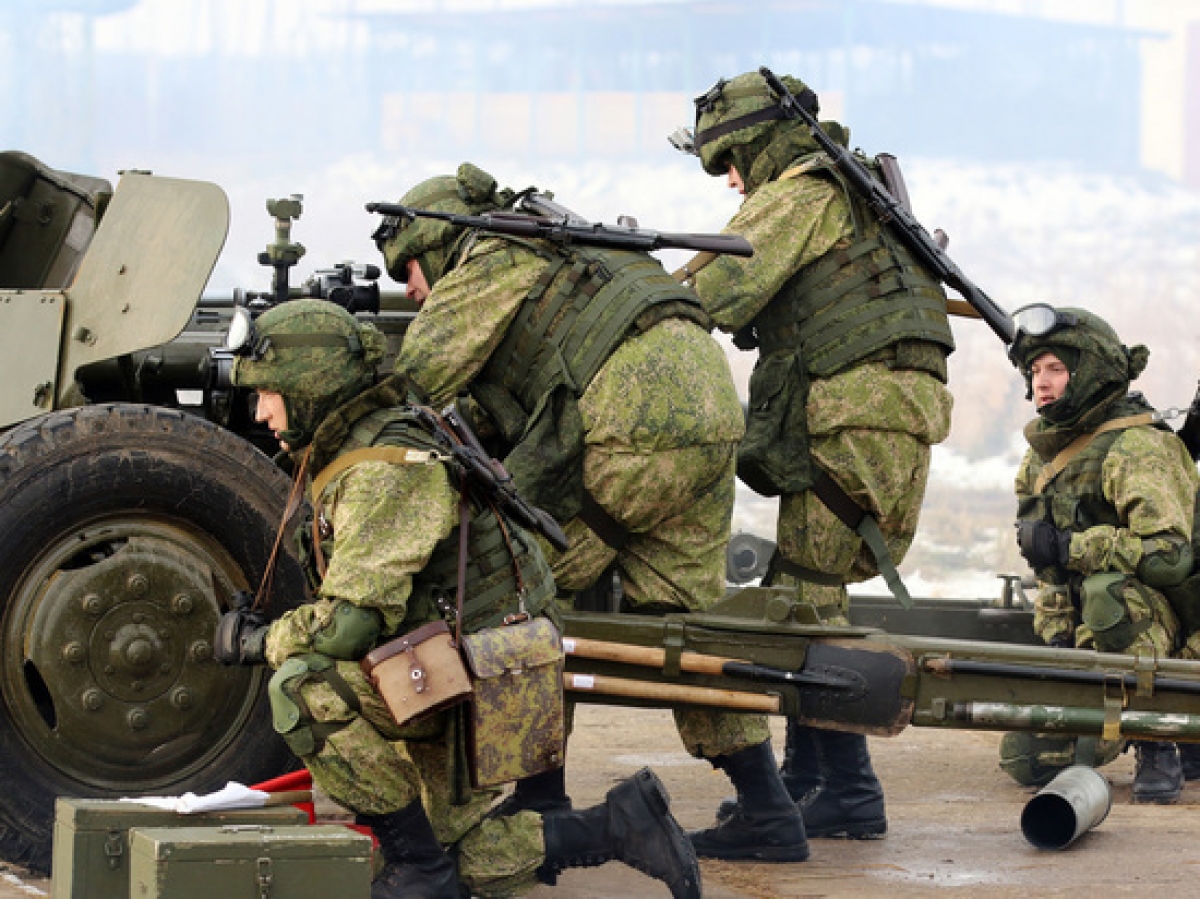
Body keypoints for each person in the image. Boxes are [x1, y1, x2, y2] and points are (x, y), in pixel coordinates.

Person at [376, 162, 809, 863]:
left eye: (410, 269)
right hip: (706, 406)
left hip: (632, 419)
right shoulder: (572, 247)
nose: (411, 289)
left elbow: (414, 382)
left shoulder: (490, 253)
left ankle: (541, 797)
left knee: (520, 592)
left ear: (436, 243)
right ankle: (768, 810)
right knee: (687, 618)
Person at [212, 298, 702, 899]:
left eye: (270, 393)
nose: (261, 413)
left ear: (310, 387)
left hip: (476, 678)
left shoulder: (384, 467)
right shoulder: (371, 440)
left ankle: (418, 868)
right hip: (460, 664)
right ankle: (620, 824)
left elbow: (348, 629)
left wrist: (263, 641)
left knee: (302, 685)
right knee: (464, 860)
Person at [672, 70, 955, 840]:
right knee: (802, 588)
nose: (730, 179)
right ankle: (808, 779)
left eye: (730, 159)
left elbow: (711, 292)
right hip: (880, 419)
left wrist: (636, 301)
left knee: (805, 603)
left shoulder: (803, 191)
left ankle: (852, 794)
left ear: (762, 140)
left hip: (857, 421)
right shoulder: (851, 193)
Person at [1003, 302, 1200, 803]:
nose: (1041, 383)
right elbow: (1048, 568)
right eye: (1035, 370)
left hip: (1172, 622)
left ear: (1089, 374)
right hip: (1093, 630)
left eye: (1056, 369)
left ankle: (1160, 740)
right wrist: (1057, 644)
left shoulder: (1137, 445)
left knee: (1107, 592)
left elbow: (1170, 556)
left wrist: (1077, 547)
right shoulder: (1042, 454)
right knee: (1027, 760)